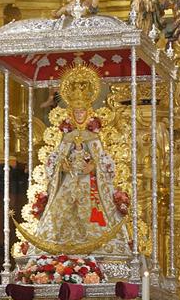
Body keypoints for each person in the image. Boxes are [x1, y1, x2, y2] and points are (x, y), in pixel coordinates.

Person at [19, 64, 131, 258]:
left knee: (93, 215)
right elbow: (55, 159)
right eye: (76, 113)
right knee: (61, 213)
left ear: (88, 113)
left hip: (90, 184)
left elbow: (103, 160)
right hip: (69, 181)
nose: (79, 116)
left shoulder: (93, 138)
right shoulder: (67, 138)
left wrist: (93, 166)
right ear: (71, 113)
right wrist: (61, 165)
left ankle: (98, 248)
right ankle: (57, 249)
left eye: (82, 112)